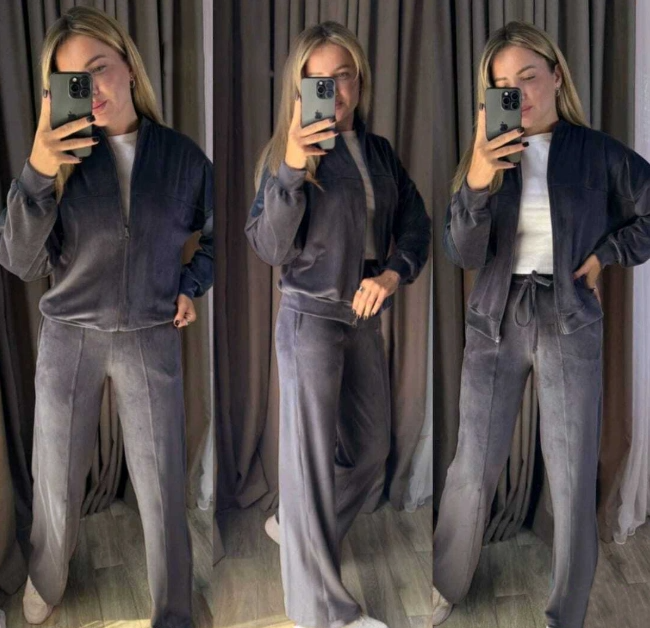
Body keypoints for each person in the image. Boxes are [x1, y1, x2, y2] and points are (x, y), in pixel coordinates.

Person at [432, 20, 650, 628]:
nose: (519, 93)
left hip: (569, 317)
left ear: (556, 76)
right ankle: (447, 583)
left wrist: (606, 255)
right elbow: (461, 253)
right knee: (472, 467)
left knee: (573, 478)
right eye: (503, 84)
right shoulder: (487, 156)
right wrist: (479, 178)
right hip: (494, 321)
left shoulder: (597, 152)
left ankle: (565, 616)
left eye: (529, 76)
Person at [0, 7, 213, 627]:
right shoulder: (58, 158)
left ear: (129, 67)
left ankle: (173, 609)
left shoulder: (181, 158)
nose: (90, 88)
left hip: (150, 333)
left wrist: (191, 285)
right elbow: (19, 260)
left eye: (99, 68)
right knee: (56, 477)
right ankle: (46, 576)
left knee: (163, 483)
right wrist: (38, 171)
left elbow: (218, 234)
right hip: (70, 334)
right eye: (72, 79)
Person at [245, 20, 431, 628]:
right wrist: (292, 170)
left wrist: (393, 275)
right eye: (319, 80)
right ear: (299, 89)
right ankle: (327, 613)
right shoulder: (285, 156)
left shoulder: (379, 153)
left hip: (362, 320)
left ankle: (295, 526)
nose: (335, 90)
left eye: (343, 76)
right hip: (310, 321)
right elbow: (269, 247)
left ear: (359, 80)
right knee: (310, 469)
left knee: (372, 450)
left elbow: (416, 224)